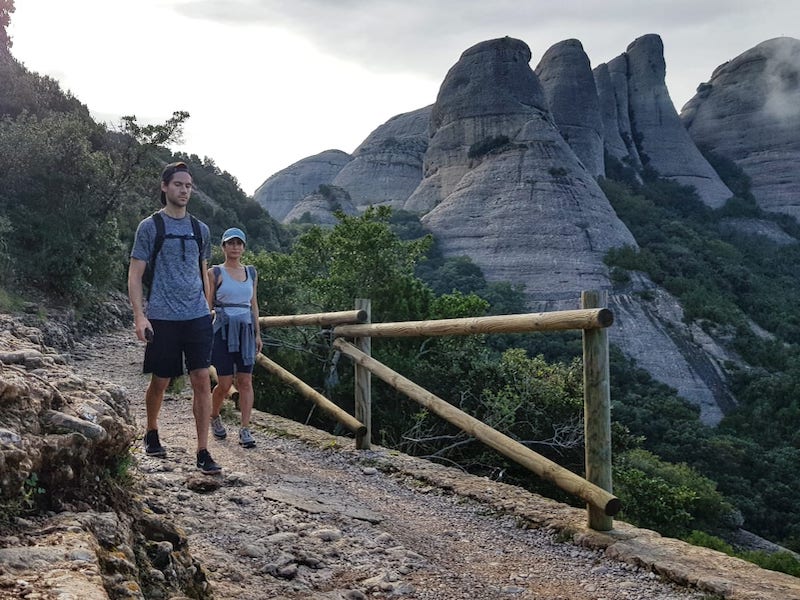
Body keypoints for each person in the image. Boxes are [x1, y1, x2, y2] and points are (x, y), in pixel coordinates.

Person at [127, 161, 222, 475]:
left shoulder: (200, 229)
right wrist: (140, 316)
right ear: (165, 187)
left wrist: (208, 308)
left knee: (201, 381)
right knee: (161, 381)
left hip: (196, 317)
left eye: (189, 186)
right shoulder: (150, 227)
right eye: (178, 184)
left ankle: (203, 450)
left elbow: (204, 271)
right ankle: (151, 430)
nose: (184, 190)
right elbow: (136, 273)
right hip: (163, 317)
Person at [207, 227, 262, 448]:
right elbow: (207, 304)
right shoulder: (215, 273)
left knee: (246, 381)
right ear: (223, 247)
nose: (235, 247)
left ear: (244, 247)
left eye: (239, 243)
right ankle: (214, 415)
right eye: (230, 243)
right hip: (222, 330)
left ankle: (245, 429)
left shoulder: (252, 272)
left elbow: (254, 304)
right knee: (225, 383)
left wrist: (258, 333)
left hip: (246, 331)